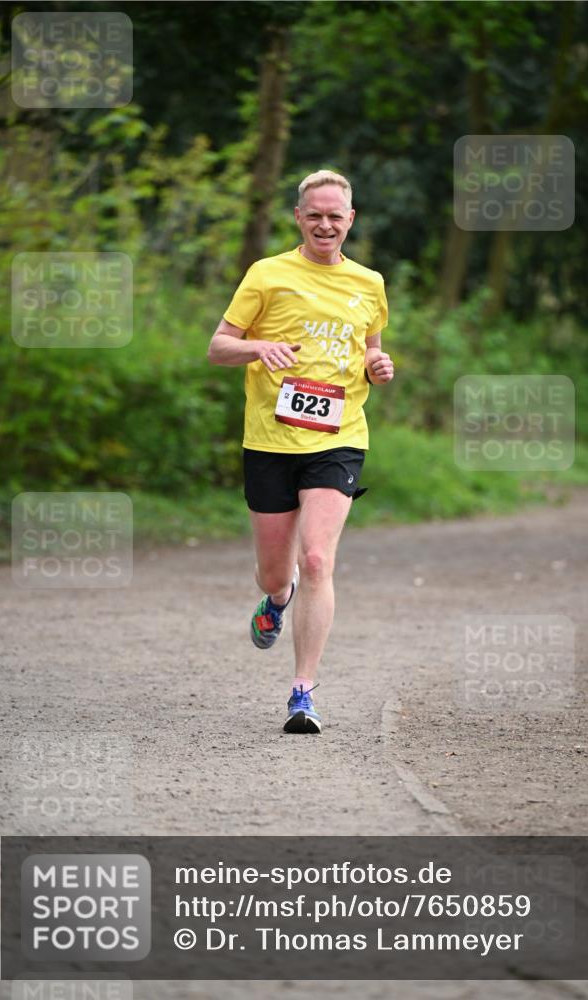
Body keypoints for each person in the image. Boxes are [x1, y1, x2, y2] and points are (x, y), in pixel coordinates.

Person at [208, 169, 394, 733]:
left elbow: (371, 349)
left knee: (317, 558)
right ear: (299, 217)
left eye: (336, 215)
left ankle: (303, 691)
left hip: (338, 438)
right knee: (275, 572)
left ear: (351, 220)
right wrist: (257, 346)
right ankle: (276, 599)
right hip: (269, 438)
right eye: (315, 214)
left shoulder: (370, 283)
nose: (325, 224)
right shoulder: (267, 274)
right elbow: (218, 347)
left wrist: (378, 365)